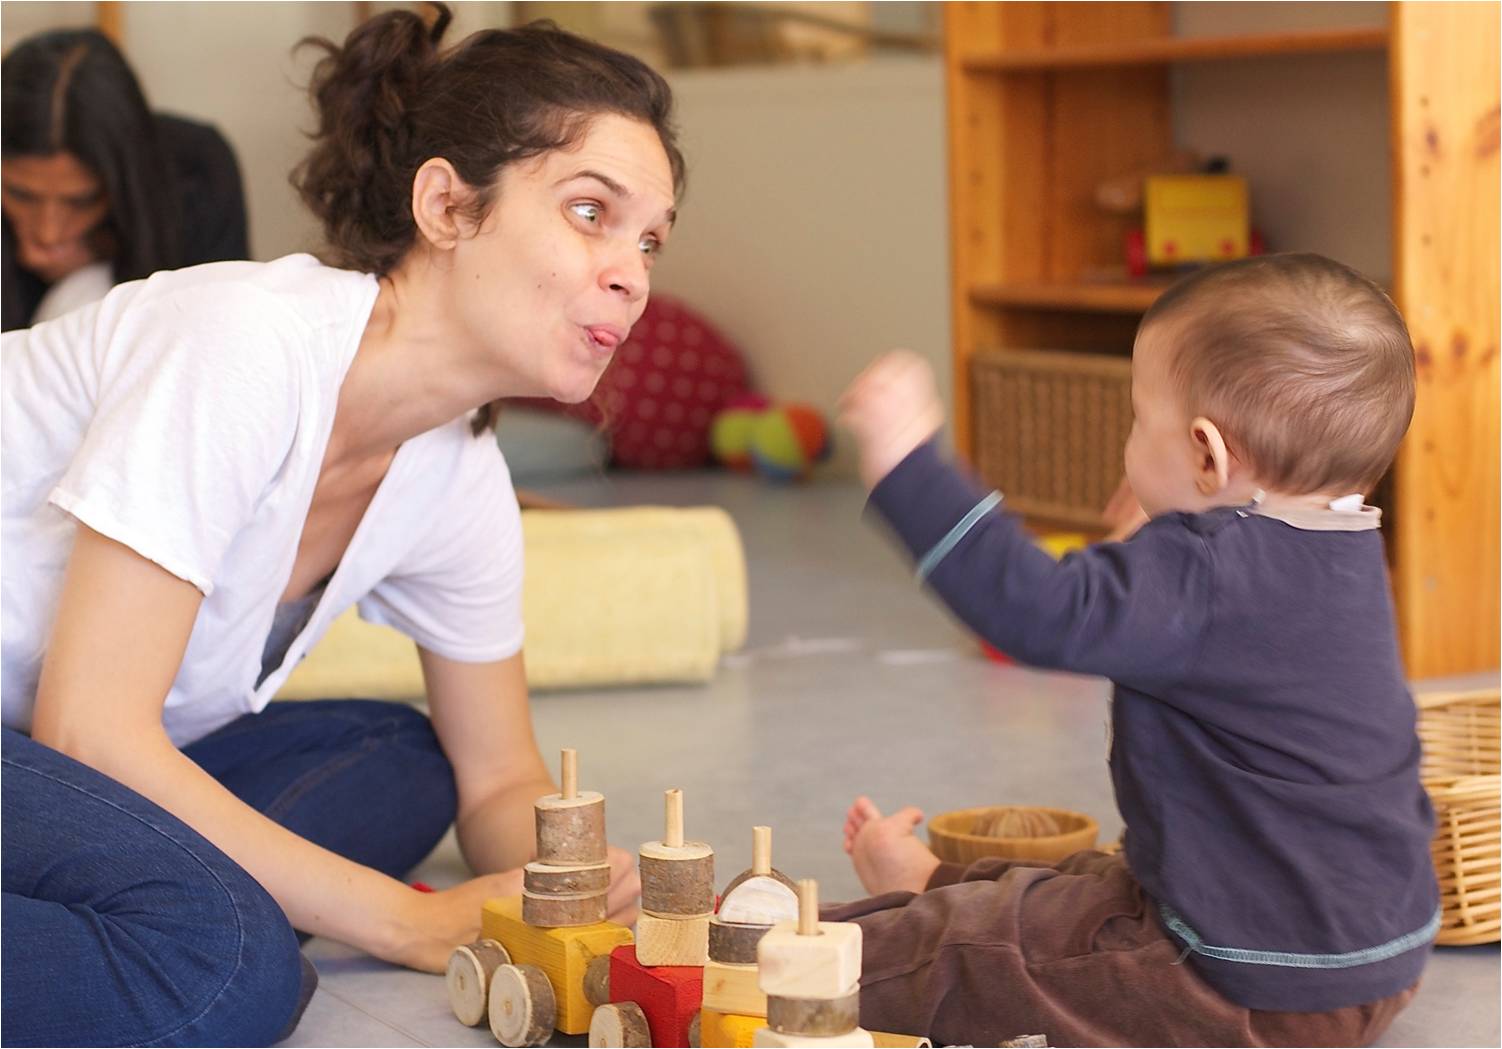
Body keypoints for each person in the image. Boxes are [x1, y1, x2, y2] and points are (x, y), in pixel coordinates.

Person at [1, 7, 681, 1046]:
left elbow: (499, 773)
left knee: (405, 757)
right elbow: (91, 727)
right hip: (59, 737)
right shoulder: (247, 344)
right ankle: (158, 921)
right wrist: (407, 919)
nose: (631, 273)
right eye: (591, 212)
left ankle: (106, 917)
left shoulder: (457, 474)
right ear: (446, 205)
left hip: (44, 755)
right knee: (226, 966)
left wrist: (570, 884)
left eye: (647, 239)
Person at [832, 254, 1438, 1047]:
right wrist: (1153, 538)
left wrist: (908, 463)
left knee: (966, 954)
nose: (1128, 440)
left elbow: (1037, 611)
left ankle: (794, 952)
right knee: (1083, 889)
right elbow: (1212, 630)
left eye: (1136, 418)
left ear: (1205, 455)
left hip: (1237, 983)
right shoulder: (1346, 549)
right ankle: (931, 881)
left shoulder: (1206, 568)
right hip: (1367, 960)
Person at [1, 27, 248, 331]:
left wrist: (103, 250)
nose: (49, 232)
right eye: (21, 195)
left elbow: (220, 324)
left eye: (82, 200)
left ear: (125, 180)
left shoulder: (194, 169)